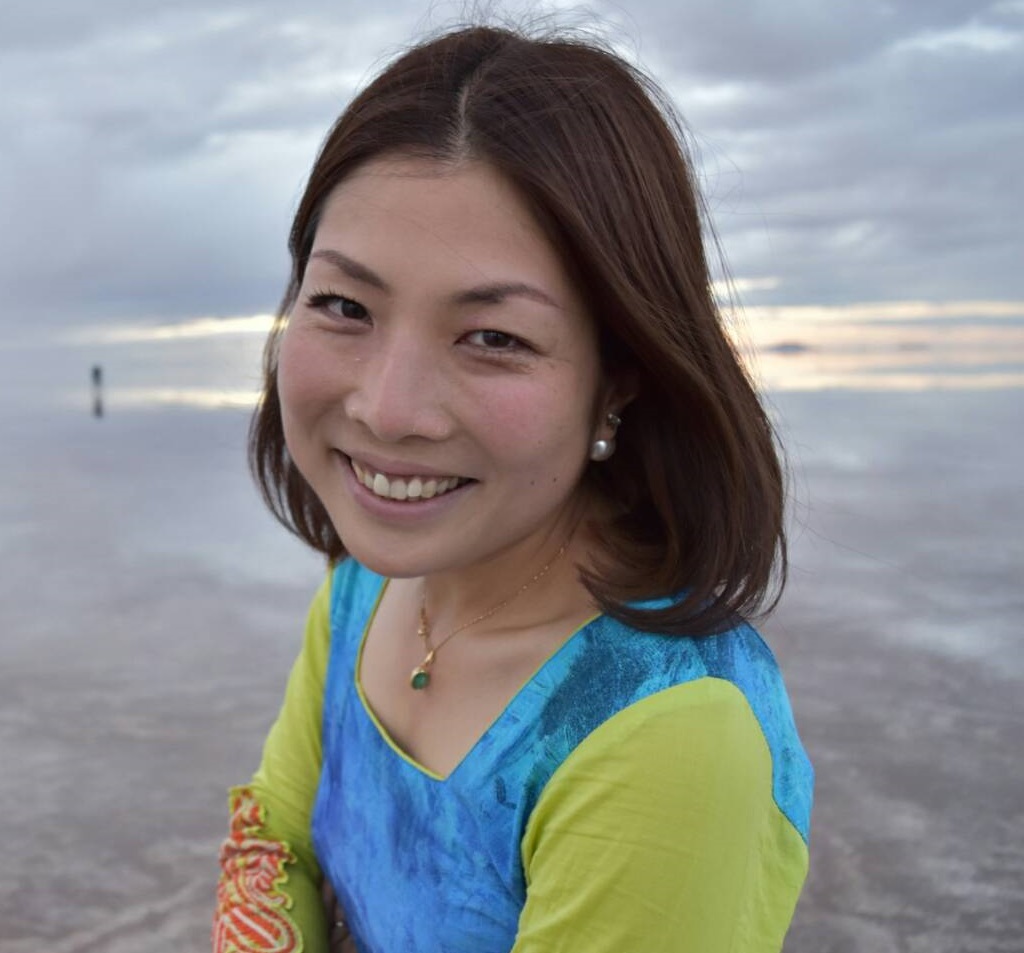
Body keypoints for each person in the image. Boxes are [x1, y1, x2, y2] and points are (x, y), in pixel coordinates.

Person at [213, 22, 813, 953]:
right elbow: (270, 842)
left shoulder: (667, 733)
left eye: (493, 337)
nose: (388, 409)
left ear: (619, 378)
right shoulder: (365, 588)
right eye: (344, 305)